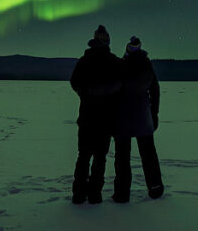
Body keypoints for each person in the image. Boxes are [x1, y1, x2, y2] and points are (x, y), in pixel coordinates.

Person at [69, 24, 121, 204]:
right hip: (105, 119)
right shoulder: (114, 61)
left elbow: (74, 82)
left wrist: (85, 93)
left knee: (84, 155)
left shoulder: (85, 60)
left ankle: (79, 194)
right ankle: (94, 194)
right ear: (106, 41)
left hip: (87, 117)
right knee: (99, 157)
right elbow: (120, 84)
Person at [112, 36, 164, 202]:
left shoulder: (121, 65)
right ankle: (155, 187)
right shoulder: (146, 65)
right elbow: (155, 91)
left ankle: (122, 193)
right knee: (148, 154)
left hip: (123, 118)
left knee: (122, 157)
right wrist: (154, 114)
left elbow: (114, 91)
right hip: (143, 116)